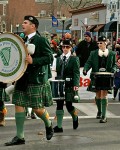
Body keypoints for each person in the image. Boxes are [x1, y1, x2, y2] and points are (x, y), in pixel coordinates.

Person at [5, 15, 54, 146]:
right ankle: (20, 136)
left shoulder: (41, 40)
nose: (23, 24)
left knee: (37, 109)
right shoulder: (22, 40)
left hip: (35, 79)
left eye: (25, 22)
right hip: (22, 78)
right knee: (18, 104)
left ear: (33, 26)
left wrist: (34, 61)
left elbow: (50, 58)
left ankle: (49, 124)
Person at [83, 36, 116, 123]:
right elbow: (88, 62)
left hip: (107, 77)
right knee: (98, 95)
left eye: (101, 43)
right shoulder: (93, 53)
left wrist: (113, 70)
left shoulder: (112, 54)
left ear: (105, 43)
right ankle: (99, 111)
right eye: (98, 43)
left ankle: (104, 116)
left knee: (104, 95)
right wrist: (85, 69)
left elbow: (115, 65)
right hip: (96, 76)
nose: (99, 44)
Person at [53, 39, 80, 133]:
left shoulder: (74, 59)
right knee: (59, 105)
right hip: (59, 84)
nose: (65, 49)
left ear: (70, 48)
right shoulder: (58, 58)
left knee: (69, 105)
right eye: (63, 47)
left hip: (69, 84)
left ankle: (75, 116)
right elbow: (56, 71)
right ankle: (59, 127)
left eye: (67, 47)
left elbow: (76, 73)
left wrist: (76, 84)